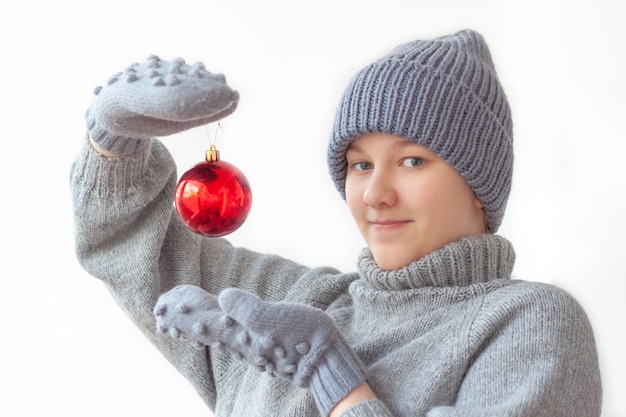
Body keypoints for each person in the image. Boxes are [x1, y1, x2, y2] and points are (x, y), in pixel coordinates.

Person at [70, 29, 602, 417]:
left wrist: (336, 380)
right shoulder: (299, 302)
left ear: (478, 183)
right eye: (360, 164)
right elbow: (140, 250)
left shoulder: (530, 325)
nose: (375, 192)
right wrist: (111, 141)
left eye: (412, 161)